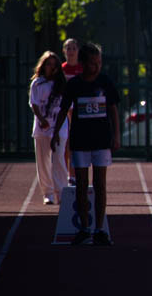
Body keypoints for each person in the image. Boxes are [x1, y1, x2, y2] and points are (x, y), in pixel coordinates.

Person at [51, 42, 119, 246]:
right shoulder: (74, 85)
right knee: (81, 184)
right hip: (80, 140)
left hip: (101, 140)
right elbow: (63, 109)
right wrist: (55, 133)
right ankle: (84, 228)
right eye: (92, 63)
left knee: (100, 184)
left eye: (99, 62)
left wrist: (116, 135)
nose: (96, 67)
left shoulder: (105, 82)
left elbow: (113, 109)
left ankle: (99, 229)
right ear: (82, 63)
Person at [29, 51, 68, 205]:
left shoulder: (63, 84)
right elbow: (34, 103)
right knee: (43, 161)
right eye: (48, 64)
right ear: (43, 66)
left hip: (59, 126)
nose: (51, 68)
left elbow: (67, 107)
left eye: (54, 65)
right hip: (41, 128)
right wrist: (41, 119)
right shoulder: (37, 83)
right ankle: (48, 193)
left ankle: (62, 192)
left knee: (59, 159)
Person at [60, 38, 82, 184]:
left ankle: (76, 173)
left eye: (74, 48)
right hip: (64, 109)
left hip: (79, 109)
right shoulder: (61, 69)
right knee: (65, 141)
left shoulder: (82, 69)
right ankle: (67, 173)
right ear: (64, 51)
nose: (71, 51)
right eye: (68, 48)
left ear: (78, 51)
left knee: (77, 142)